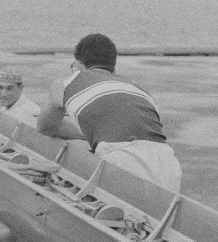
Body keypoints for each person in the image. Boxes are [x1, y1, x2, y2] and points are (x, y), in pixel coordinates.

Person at [37, 33, 182, 192]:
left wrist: (82, 134)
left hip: (121, 161)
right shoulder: (137, 89)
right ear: (113, 65)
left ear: (79, 64)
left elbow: (45, 128)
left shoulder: (66, 83)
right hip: (169, 165)